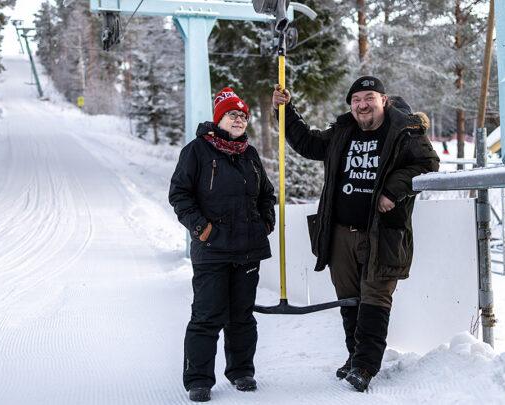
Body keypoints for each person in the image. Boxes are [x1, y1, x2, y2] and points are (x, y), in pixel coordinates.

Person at [271, 76, 439, 392]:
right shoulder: (343, 132)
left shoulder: (405, 132)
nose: (362, 105)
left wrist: (393, 189)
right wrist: (285, 111)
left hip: (383, 233)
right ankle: (354, 356)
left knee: (375, 298)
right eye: (356, 99)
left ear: (383, 100)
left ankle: (364, 365)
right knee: (349, 299)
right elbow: (307, 143)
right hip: (340, 234)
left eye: (369, 98)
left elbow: (428, 164)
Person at [169, 87, 276, 402]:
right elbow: (180, 195)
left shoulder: (250, 154)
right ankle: (198, 379)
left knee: (242, 315)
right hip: (212, 249)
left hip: (247, 249)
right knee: (207, 315)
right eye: (233, 114)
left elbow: (266, 194)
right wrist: (201, 228)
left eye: (243, 116)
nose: (239, 120)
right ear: (219, 119)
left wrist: (265, 222)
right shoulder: (197, 151)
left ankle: (242, 371)